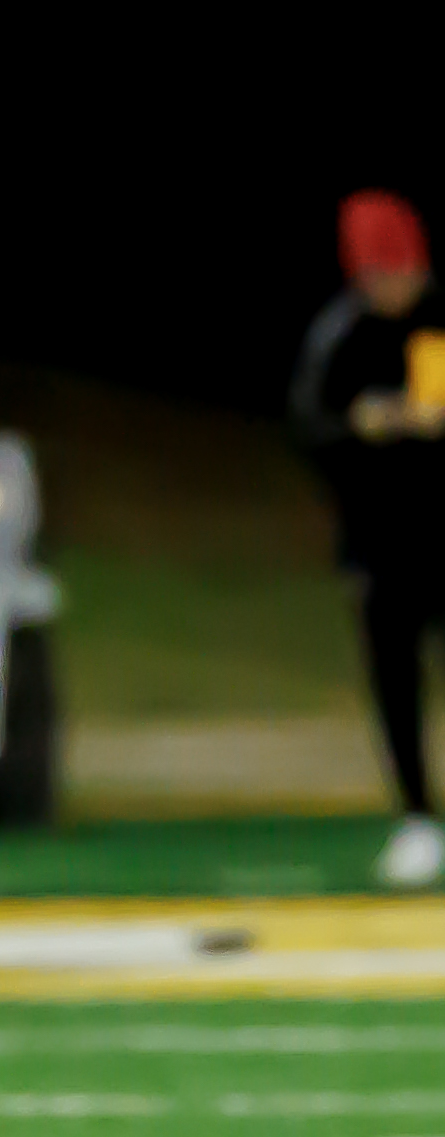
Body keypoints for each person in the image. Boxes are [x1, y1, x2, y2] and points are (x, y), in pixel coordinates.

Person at [292, 189, 445, 889]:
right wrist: (364, 425)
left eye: (405, 270)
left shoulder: (437, 320)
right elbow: (309, 428)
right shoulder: (342, 336)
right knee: (395, 680)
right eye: (383, 273)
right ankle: (417, 817)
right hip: (382, 544)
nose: (397, 286)